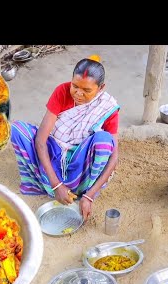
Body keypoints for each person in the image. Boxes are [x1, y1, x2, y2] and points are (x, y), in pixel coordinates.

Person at [10, 55, 120, 221]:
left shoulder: (107, 106)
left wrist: (89, 196)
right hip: (53, 152)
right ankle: (44, 184)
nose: (78, 93)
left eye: (87, 90)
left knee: (104, 141)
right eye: (74, 86)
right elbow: (41, 140)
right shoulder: (62, 91)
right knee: (17, 130)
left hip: (80, 163)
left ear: (101, 88)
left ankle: (83, 190)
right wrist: (56, 185)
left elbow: (114, 157)